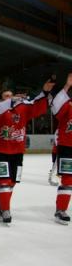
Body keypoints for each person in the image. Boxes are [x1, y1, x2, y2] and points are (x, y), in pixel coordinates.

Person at [0, 78, 55, 224]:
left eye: (11, 96)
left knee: (11, 183)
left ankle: (2, 207)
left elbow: (38, 106)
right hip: (0, 151)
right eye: (6, 96)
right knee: (4, 182)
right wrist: (13, 100)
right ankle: (6, 210)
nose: (10, 98)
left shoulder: (23, 108)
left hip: (17, 152)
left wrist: (45, 91)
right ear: (1, 98)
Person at [50, 73, 72, 225]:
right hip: (67, 147)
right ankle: (61, 210)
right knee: (68, 180)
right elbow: (56, 109)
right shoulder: (68, 104)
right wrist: (67, 86)